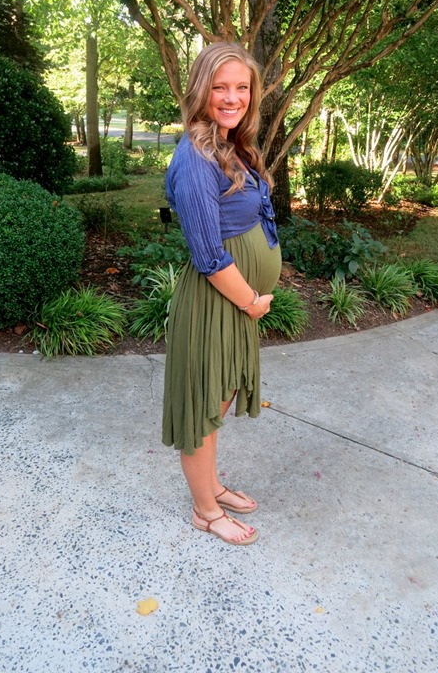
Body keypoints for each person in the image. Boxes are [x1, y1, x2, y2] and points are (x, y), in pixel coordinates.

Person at [162, 42, 282, 545]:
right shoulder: (195, 155)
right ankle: (205, 510)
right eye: (220, 87)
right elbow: (209, 254)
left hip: (231, 303)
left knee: (220, 398)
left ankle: (211, 486)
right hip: (217, 301)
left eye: (241, 87)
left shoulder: (230, 145)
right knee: (204, 406)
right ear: (200, 90)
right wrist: (251, 302)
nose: (232, 98)